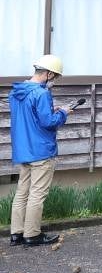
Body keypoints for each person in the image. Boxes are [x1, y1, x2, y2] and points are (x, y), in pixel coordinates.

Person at [8, 56, 73, 246]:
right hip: (41, 151)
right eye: (55, 78)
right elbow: (48, 122)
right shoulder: (41, 94)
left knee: (22, 193)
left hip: (23, 150)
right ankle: (32, 235)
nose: (54, 81)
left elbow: (30, 116)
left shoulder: (16, 92)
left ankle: (17, 233)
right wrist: (63, 113)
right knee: (37, 194)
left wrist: (52, 109)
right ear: (49, 73)